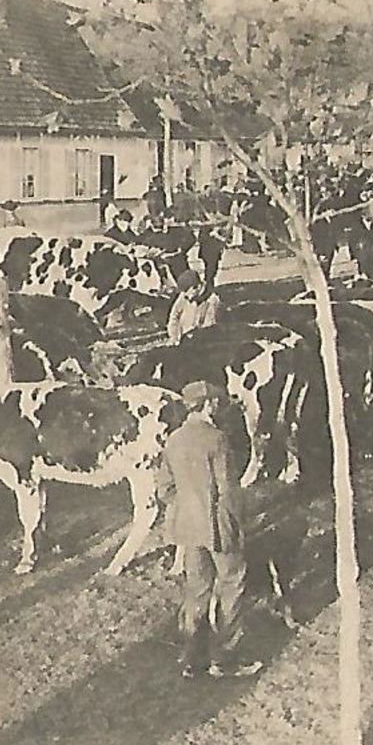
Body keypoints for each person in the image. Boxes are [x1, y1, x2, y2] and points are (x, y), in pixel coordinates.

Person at [159, 380, 262, 680]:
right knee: (231, 584)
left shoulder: (173, 440)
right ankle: (226, 658)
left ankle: (193, 658)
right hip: (218, 526)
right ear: (207, 406)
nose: (216, 408)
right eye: (214, 403)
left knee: (198, 589)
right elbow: (227, 489)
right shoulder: (218, 439)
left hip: (188, 529)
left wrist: (183, 507)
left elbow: (164, 487)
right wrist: (236, 523)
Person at [165, 270, 222, 342]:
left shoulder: (212, 300)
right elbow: (174, 316)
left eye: (187, 291)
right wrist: (174, 336)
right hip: (182, 339)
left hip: (200, 341)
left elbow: (209, 328)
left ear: (197, 287)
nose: (184, 295)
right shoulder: (184, 296)